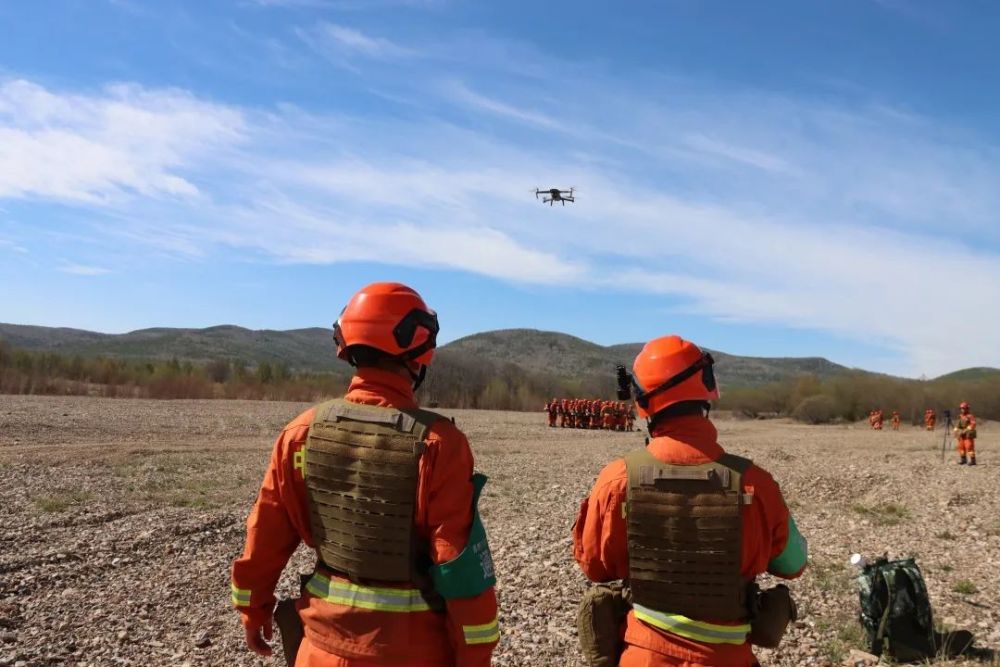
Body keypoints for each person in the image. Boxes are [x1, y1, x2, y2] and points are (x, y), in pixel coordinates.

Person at [230, 282, 499, 666]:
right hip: (412, 654)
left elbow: (265, 532)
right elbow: (458, 566)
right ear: (417, 351)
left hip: (319, 649)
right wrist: (476, 653)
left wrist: (252, 609)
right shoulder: (440, 444)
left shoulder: (300, 433)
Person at [573, 335, 807, 667]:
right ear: (707, 391)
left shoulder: (617, 480)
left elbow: (594, 566)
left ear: (642, 401)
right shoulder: (758, 484)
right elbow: (793, 565)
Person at [954, 401, 978, 466]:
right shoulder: (960, 416)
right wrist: (956, 430)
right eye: (961, 408)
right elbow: (958, 425)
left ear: (967, 409)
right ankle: (963, 460)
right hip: (961, 435)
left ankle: (973, 461)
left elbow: (973, 424)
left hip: (967, 435)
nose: (962, 410)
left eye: (964, 408)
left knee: (969, 447)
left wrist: (966, 429)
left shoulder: (970, 416)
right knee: (961, 447)